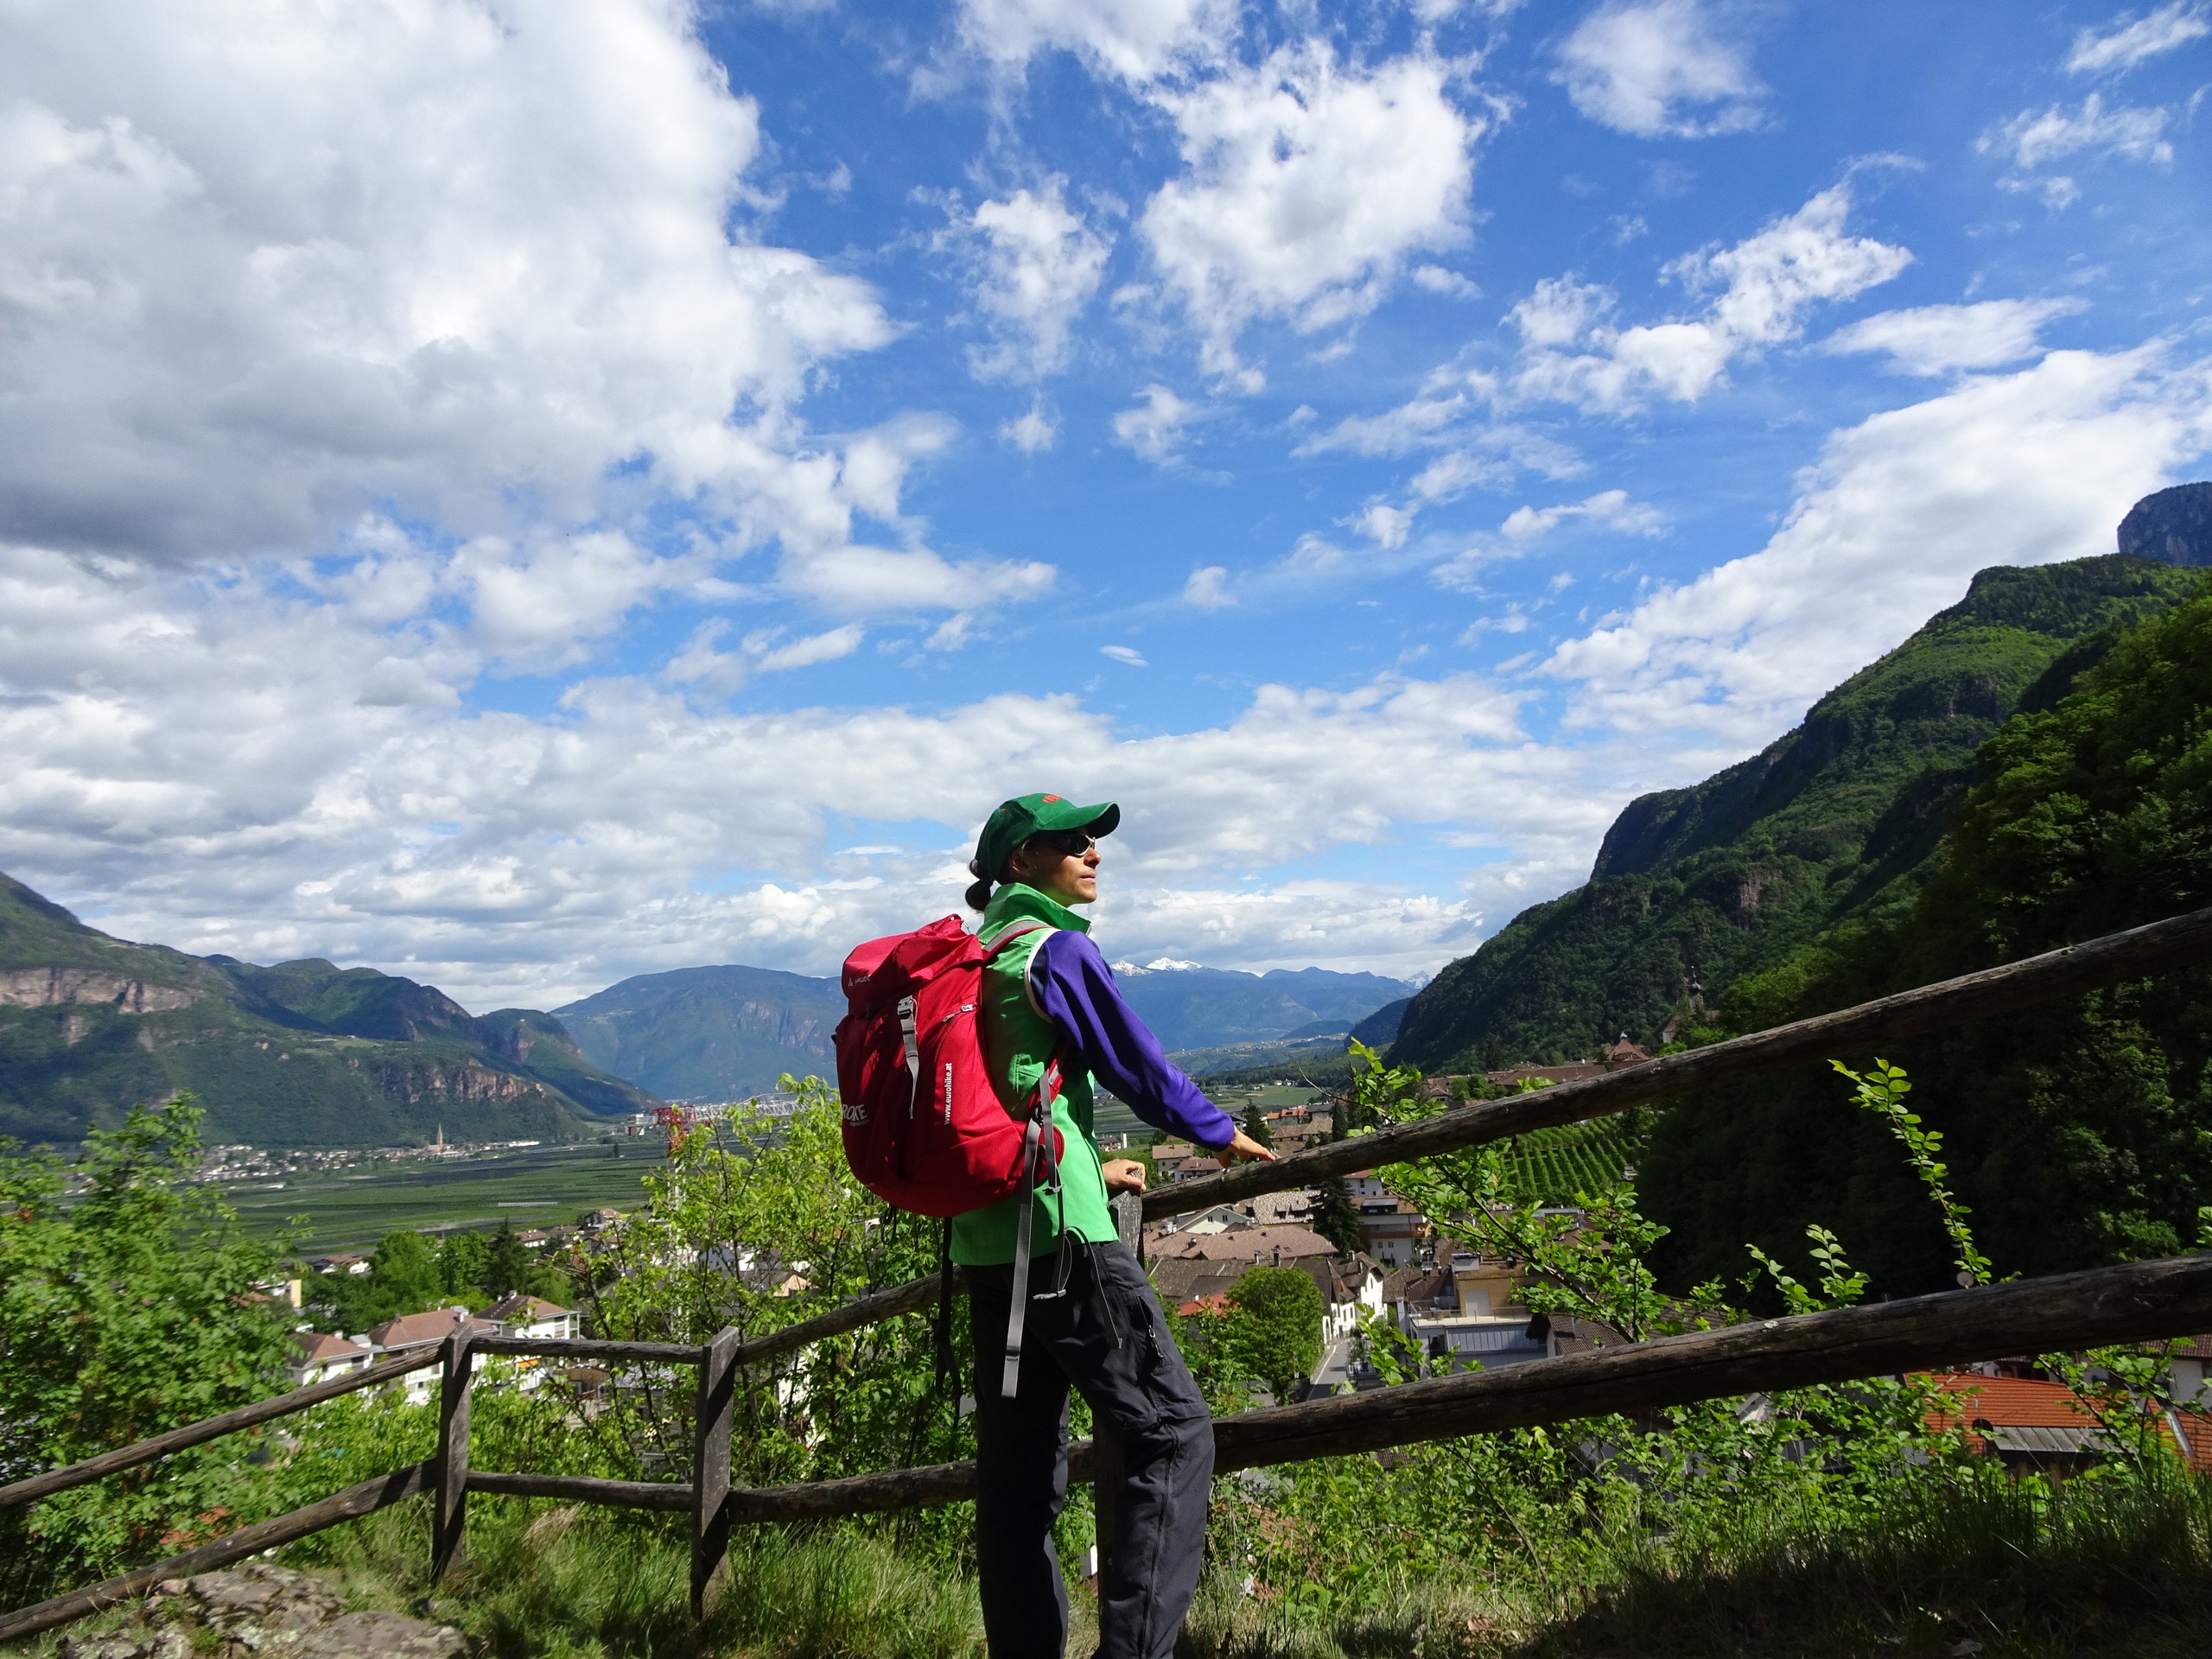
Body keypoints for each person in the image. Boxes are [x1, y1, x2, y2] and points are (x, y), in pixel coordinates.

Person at [958, 792, 1275, 1659]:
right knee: (1171, 1432)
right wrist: (1219, 1130)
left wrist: (1080, 1154)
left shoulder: (972, 957)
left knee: (1018, 1479)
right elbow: (1136, 1062)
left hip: (986, 1238)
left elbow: (997, 1094)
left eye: (1093, 840)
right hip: (1062, 1239)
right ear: (1020, 863)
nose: (1092, 853)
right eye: (1068, 842)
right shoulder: (1053, 949)